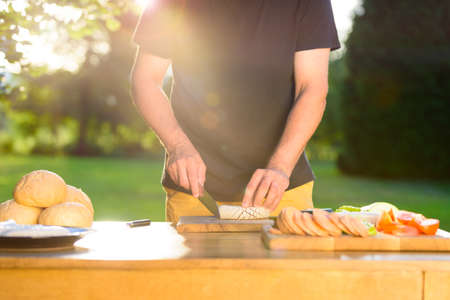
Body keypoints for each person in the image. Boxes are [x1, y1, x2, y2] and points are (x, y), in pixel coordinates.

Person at [131, 0, 340, 222]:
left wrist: (281, 166)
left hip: (280, 188)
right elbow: (145, 80)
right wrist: (177, 147)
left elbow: (312, 88)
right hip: (195, 191)